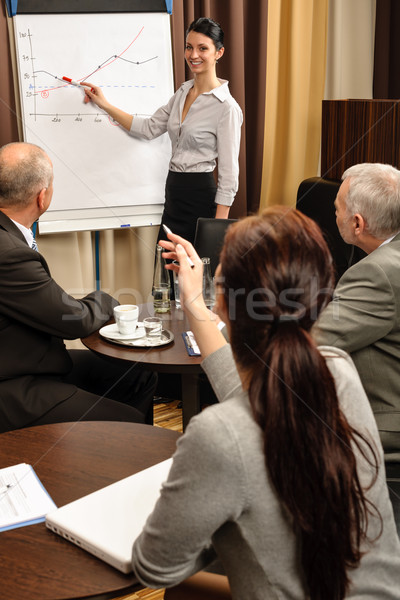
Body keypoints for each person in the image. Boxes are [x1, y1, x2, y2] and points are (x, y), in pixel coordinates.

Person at [129, 208, 400, 599]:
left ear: (223, 301)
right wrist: (192, 300)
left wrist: (211, 518)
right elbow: (258, 413)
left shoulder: (217, 434)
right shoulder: (338, 372)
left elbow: (153, 566)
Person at [0, 142, 156, 431]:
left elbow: (47, 307)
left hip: (25, 361)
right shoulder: (10, 253)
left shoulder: (9, 237)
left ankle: (95, 460)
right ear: (42, 196)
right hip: (14, 387)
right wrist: (107, 299)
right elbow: (75, 319)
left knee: (137, 375)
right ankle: (116, 448)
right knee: (131, 425)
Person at [82, 17, 243, 245]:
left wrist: (217, 232)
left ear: (219, 52)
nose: (193, 55)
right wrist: (104, 104)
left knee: (194, 276)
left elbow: (229, 177)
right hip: (174, 193)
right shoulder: (182, 93)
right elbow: (147, 128)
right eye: (189, 47)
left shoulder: (226, 107)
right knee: (165, 275)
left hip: (199, 197)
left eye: (202, 48)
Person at [312, 163, 400, 464]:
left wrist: (223, 325)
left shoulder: (377, 272)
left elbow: (314, 341)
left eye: (337, 208)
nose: (334, 214)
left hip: (381, 432)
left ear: (358, 223)